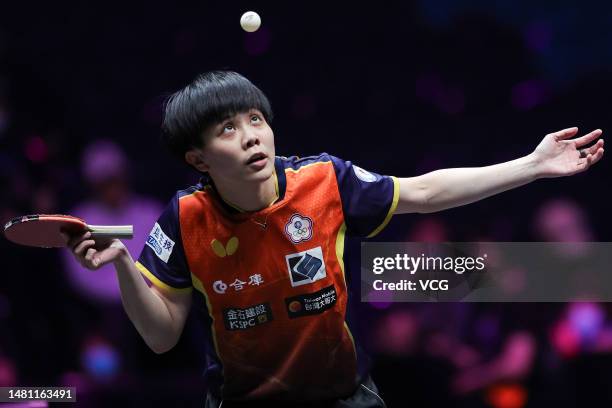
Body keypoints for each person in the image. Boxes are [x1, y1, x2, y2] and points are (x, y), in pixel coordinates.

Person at [65, 71, 605, 407]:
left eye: (256, 118)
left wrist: (531, 166)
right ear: (197, 158)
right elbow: (160, 337)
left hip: (345, 398)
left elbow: (424, 191)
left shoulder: (325, 181)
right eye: (227, 129)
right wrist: (122, 268)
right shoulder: (183, 219)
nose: (252, 135)